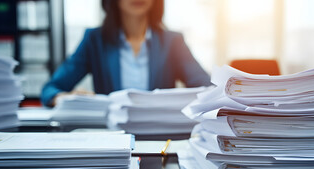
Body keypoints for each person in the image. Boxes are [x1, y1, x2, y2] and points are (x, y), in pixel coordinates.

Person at [41, 0, 210, 106]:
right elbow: (50, 89)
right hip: (111, 139)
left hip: (161, 139)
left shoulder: (172, 41)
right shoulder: (94, 40)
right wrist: (65, 98)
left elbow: (206, 87)